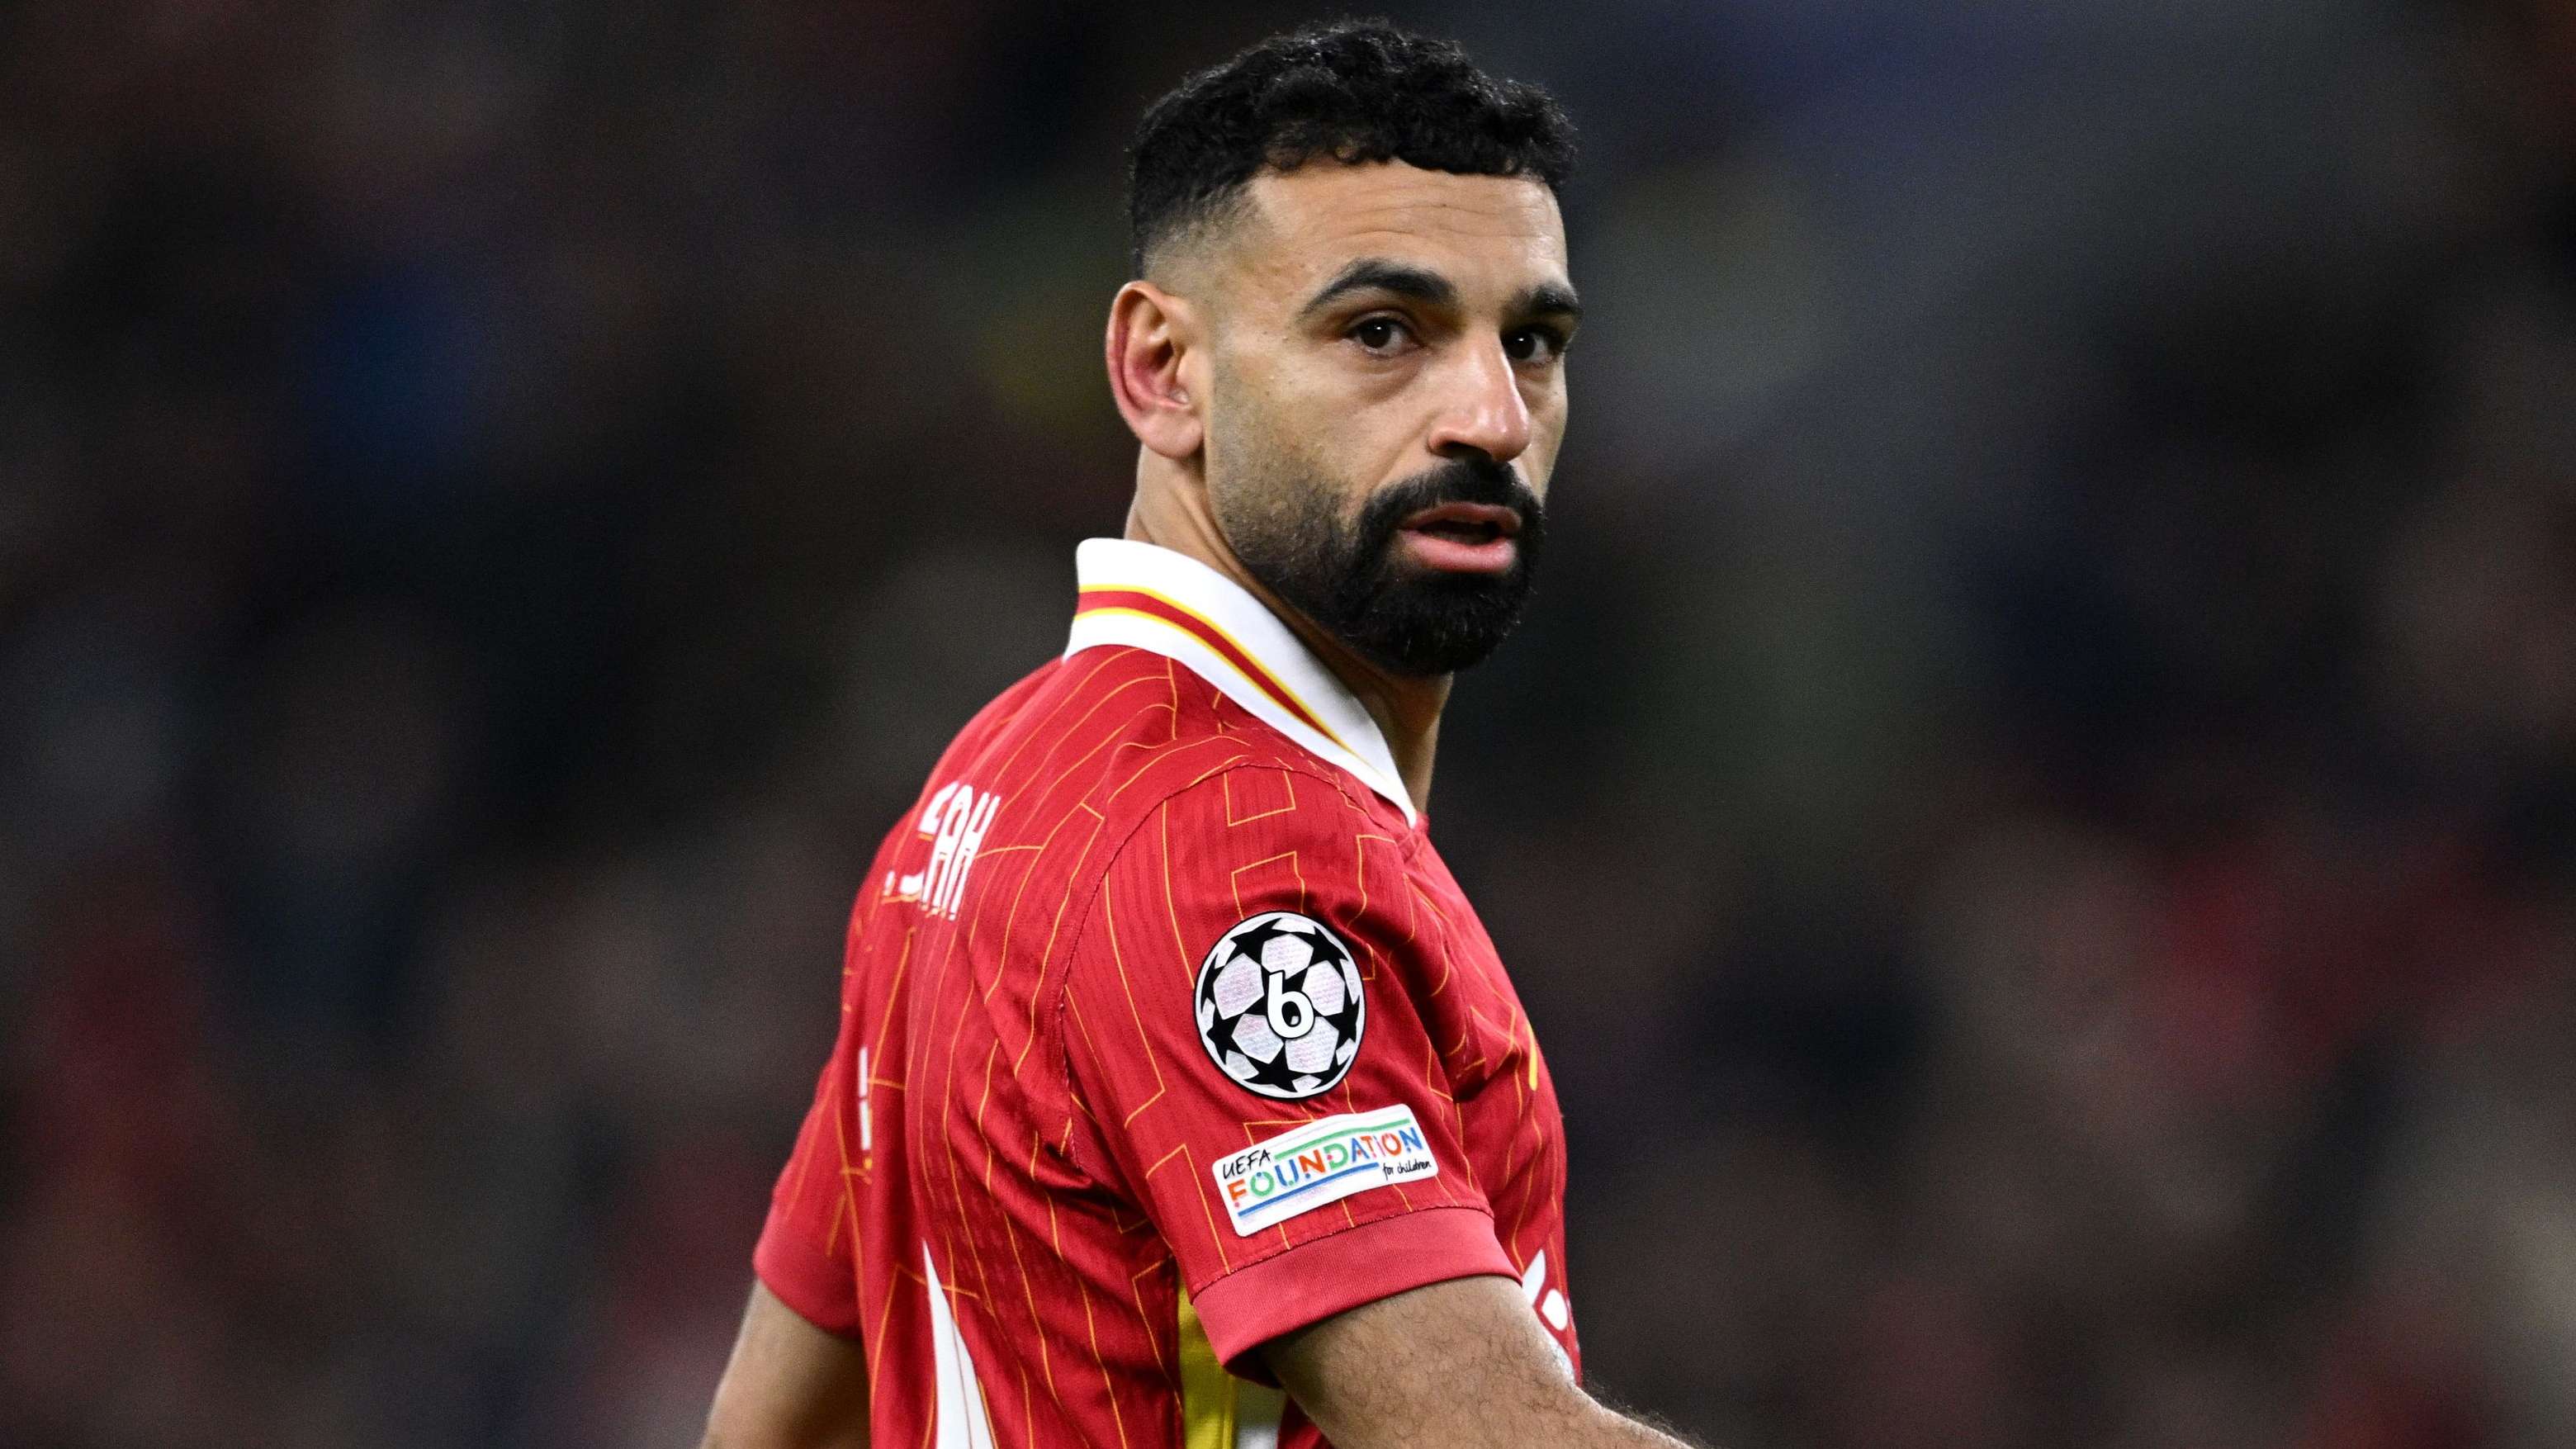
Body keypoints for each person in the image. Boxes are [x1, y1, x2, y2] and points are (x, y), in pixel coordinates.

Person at [703, 20, 1696, 1449]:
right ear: (1164, 369)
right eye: (1382, 332)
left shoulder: (992, 778)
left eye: (1530, 342)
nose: (1491, 415)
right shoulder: (1232, 852)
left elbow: (771, 1423)